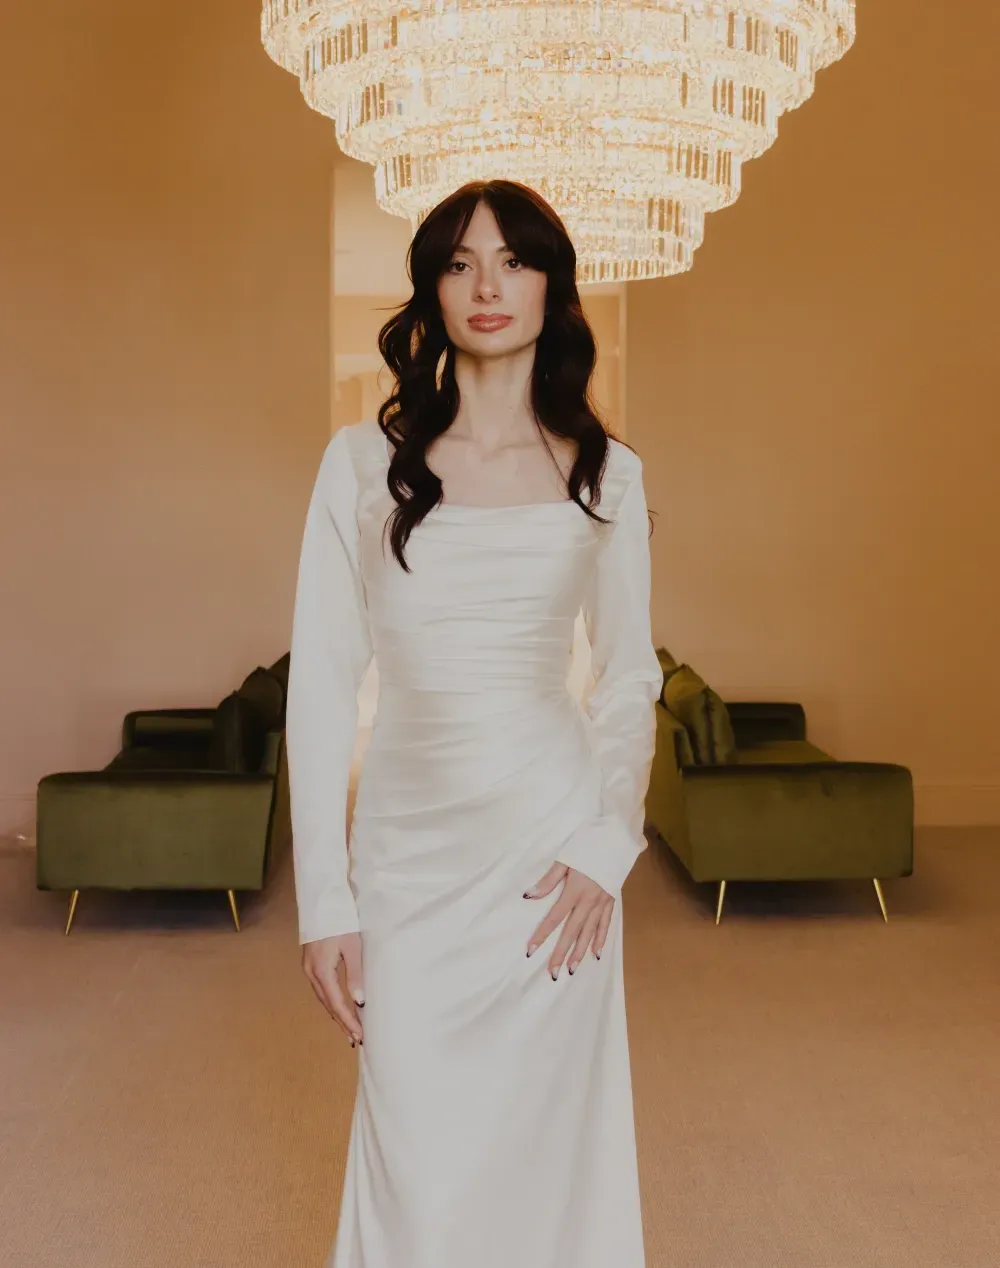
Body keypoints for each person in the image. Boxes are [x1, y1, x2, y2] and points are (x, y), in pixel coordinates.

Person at [285, 178, 663, 1268]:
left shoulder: (608, 474)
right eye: (459, 262)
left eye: (514, 260)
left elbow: (629, 675)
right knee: (418, 1153)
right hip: (407, 856)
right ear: (432, 292)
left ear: (554, 285)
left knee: (549, 1146)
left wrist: (605, 842)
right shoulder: (361, 467)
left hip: (553, 860)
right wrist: (323, 900)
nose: (488, 285)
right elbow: (319, 686)